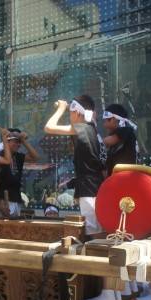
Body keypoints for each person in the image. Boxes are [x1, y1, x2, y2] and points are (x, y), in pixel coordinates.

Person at [44, 95, 105, 235]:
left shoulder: (84, 128)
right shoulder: (92, 129)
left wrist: (60, 109)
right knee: (97, 228)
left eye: (70, 112)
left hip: (89, 188)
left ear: (77, 112)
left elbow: (48, 127)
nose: (69, 116)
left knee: (93, 231)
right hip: (95, 186)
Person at [0, 129, 39, 217]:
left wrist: (24, 141)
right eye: (15, 141)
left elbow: (35, 157)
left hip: (16, 200)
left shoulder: (18, 156)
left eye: (19, 142)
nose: (18, 144)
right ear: (7, 141)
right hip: (4, 201)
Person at [101, 104, 138, 176]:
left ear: (114, 119)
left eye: (106, 120)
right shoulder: (122, 133)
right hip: (118, 176)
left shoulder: (126, 130)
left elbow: (107, 142)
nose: (104, 125)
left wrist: (91, 141)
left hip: (125, 176)